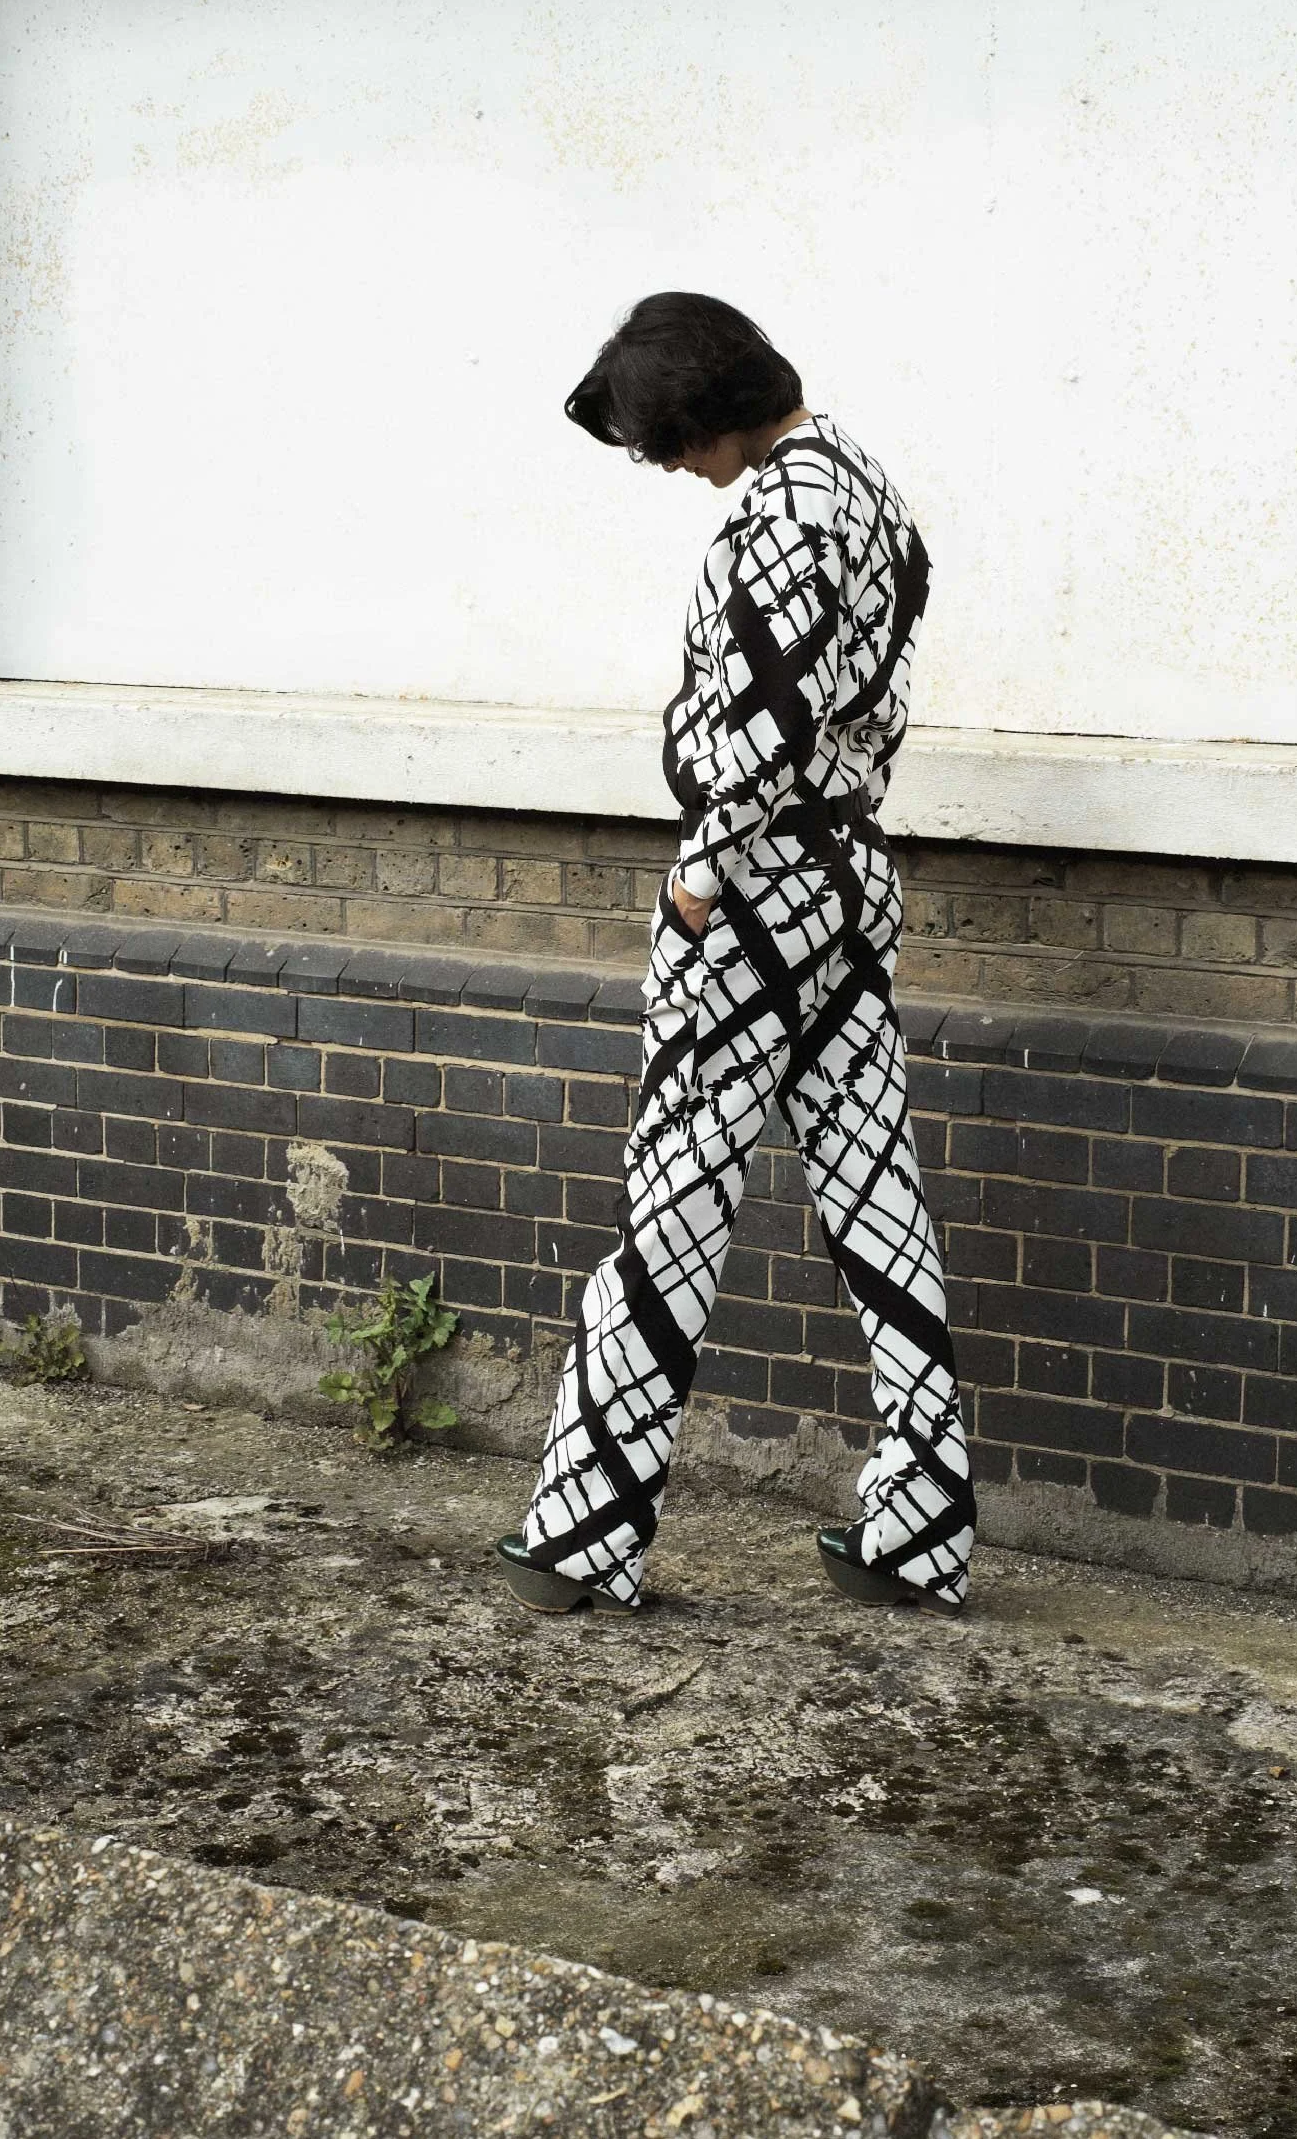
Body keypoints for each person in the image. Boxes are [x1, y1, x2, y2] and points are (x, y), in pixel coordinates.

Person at [494, 292, 976, 1616]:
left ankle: (582, 1530)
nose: (663, 469)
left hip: (755, 881)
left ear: (709, 412)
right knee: (875, 1187)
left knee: (675, 1192)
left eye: (663, 443)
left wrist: (706, 865)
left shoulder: (778, 511)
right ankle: (919, 1527)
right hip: (846, 874)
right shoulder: (865, 486)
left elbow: (762, 709)